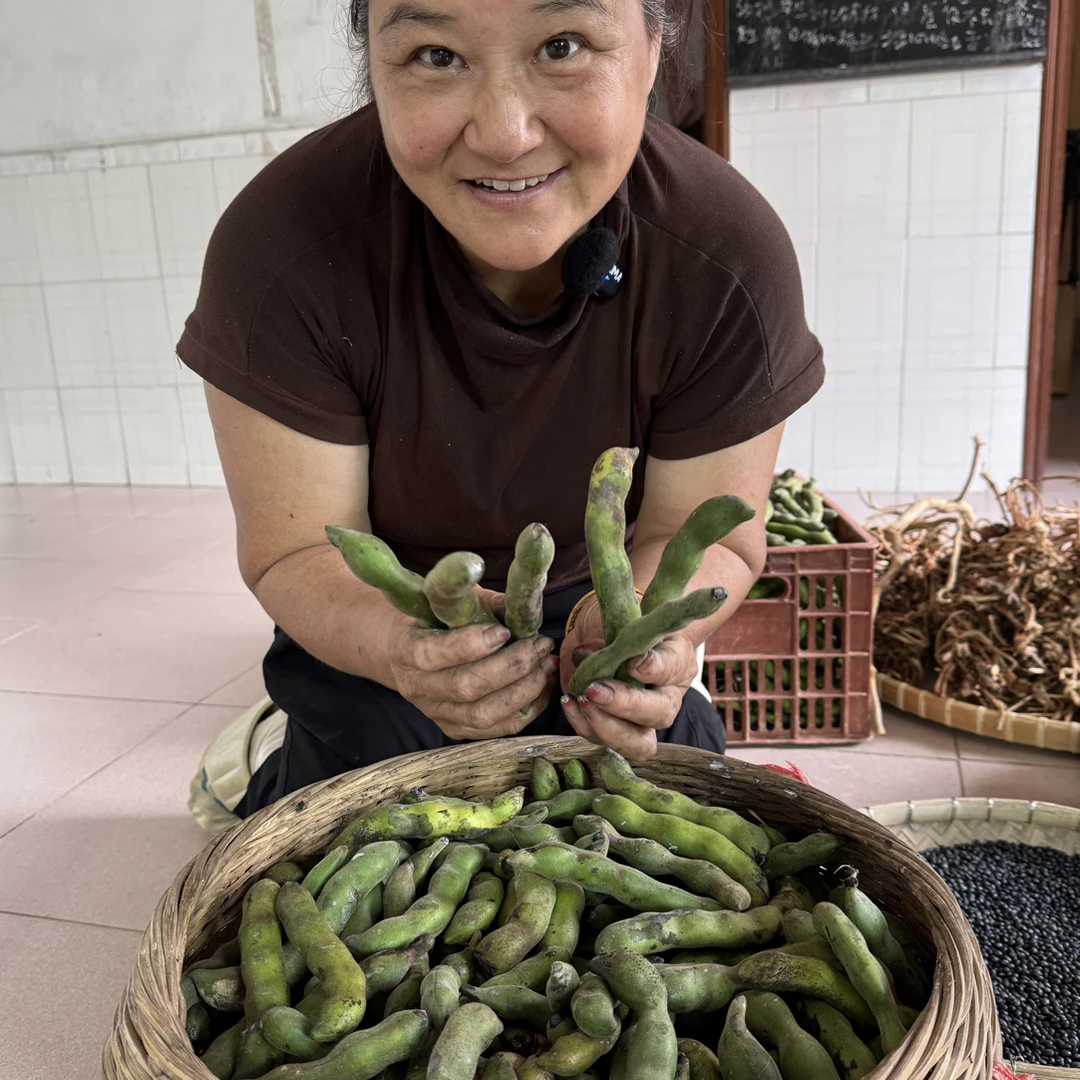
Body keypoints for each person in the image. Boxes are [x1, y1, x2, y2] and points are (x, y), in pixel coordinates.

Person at [180, 0, 824, 827]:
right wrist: (399, 650)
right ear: (373, 61)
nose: (505, 134)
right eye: (436, 56)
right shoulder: (282, 250)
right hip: (384, 613)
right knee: (369, 803)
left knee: (670, 780)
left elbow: (715, 536)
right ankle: (261, 756)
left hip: (600, 595)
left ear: (656, 48)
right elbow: (299, 548)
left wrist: (642, 640)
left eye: (563, 45)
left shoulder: (726, 258)